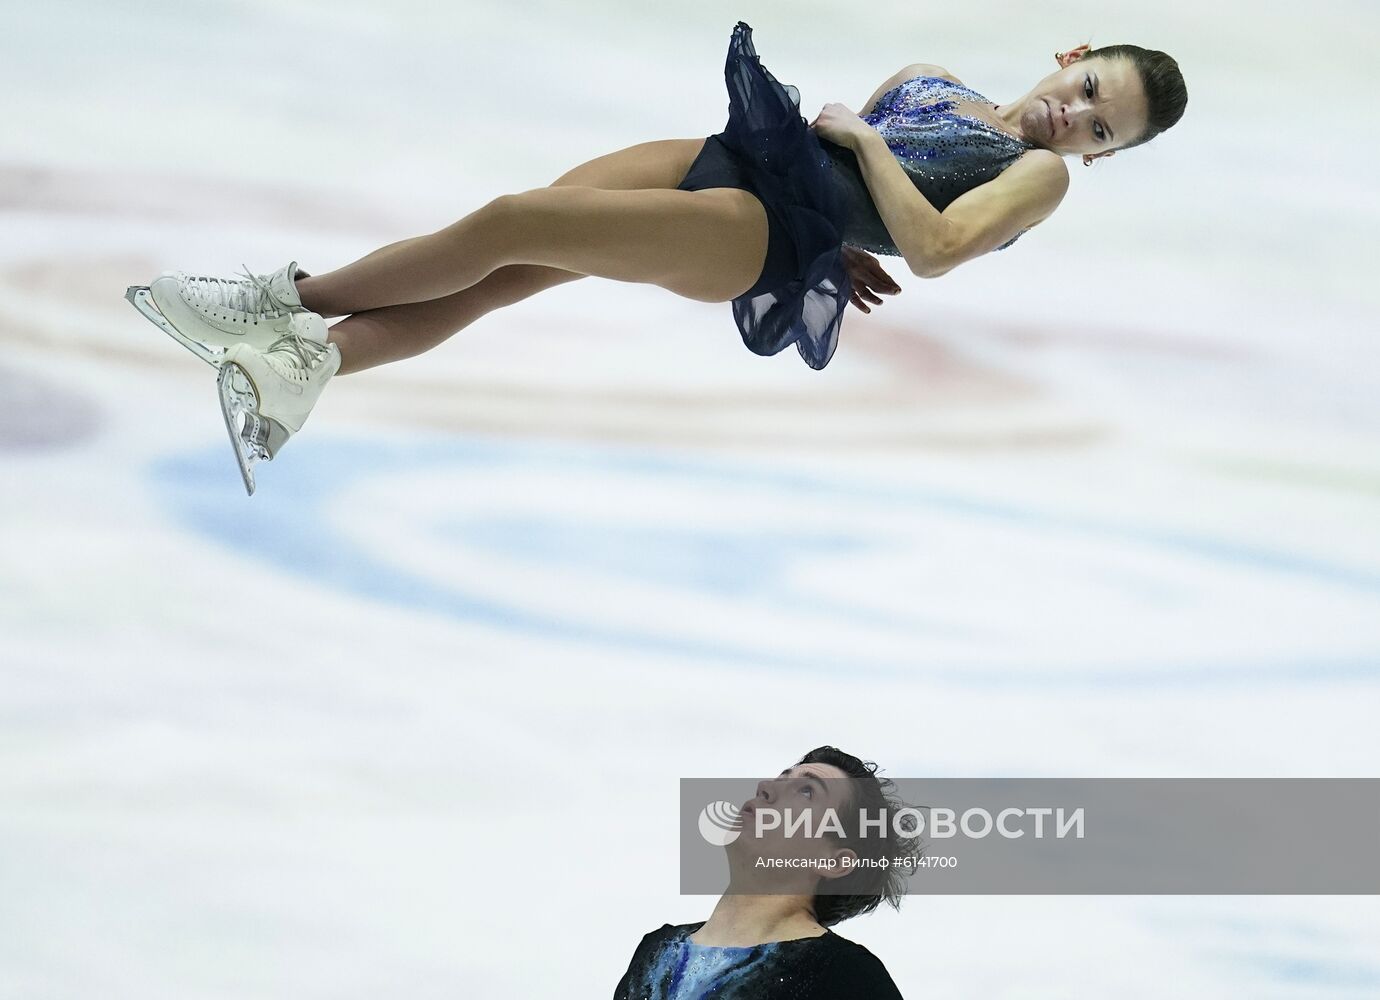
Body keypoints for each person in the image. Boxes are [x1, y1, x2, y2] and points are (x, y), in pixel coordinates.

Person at [124, 21, 1186, 493]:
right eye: (1091, 90)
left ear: (1103, 159)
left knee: (507, 222)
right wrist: (855, 197)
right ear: (1074, 52)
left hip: (752, 234)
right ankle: (301, 372)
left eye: (1102, 132)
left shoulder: (1034, 175)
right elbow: (876, 203)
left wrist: (861, 144)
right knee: (511, 266)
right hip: (737, 155)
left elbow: (941, 247)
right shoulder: (931, 75)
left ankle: (277, 304)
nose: (1072, 119)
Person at [612, 746, 919, 999]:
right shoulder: (656, 951)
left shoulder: (848, 978)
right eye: (781, 778)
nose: (767, 788)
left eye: (808, 792)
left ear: (833, 861)